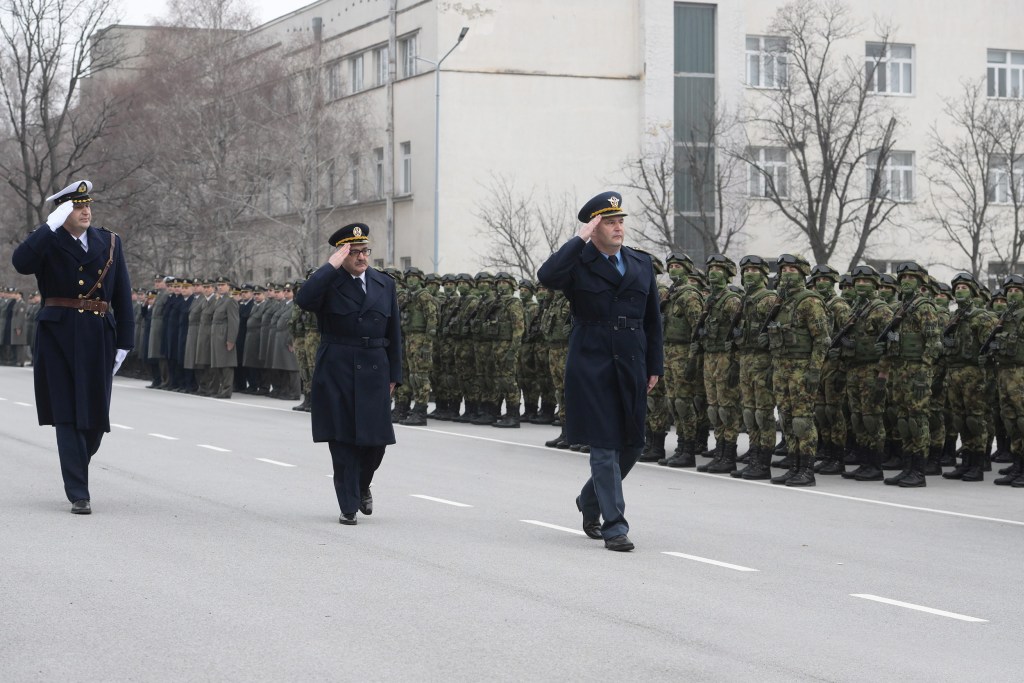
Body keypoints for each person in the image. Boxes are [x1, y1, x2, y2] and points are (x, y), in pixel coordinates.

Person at [538, 191, 663, 552]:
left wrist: (654, 365)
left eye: (620, 220)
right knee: (605, 447)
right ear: (593, 227)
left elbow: (653, 320)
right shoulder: (578, 263)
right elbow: (547, 275)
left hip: (633, 363)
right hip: (592, 364)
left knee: (633, 445)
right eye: (609, 222)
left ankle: (589, 501)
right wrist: (578, 239)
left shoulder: (640, 264)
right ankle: (615, 525)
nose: (618, 227)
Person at [11, 180, 134, 514]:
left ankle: (78, 464)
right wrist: (48, 225)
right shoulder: (48, 241)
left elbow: (122, 294)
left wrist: (125, 342)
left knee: (95, 420)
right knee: (67, 415)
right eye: (77, 207)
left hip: (98, 336)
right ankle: (79, 492)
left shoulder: (109, 242)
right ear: (63, 210)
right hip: (58, 336)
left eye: (87, 205)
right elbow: (20, 262)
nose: (85, 211)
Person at [294, 223, 402, 525]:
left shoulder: (384, 283)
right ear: (342, 255)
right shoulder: (329, 282)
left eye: (365, 251)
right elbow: (304, 300)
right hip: (338, 368)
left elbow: (395, 331)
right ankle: (348, 505)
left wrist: (396, 374)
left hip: (375, 369)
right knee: (342, 442)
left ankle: (362, 484)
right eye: (354, 253)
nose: (362, 258)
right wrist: (329, 267)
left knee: (375, 443)